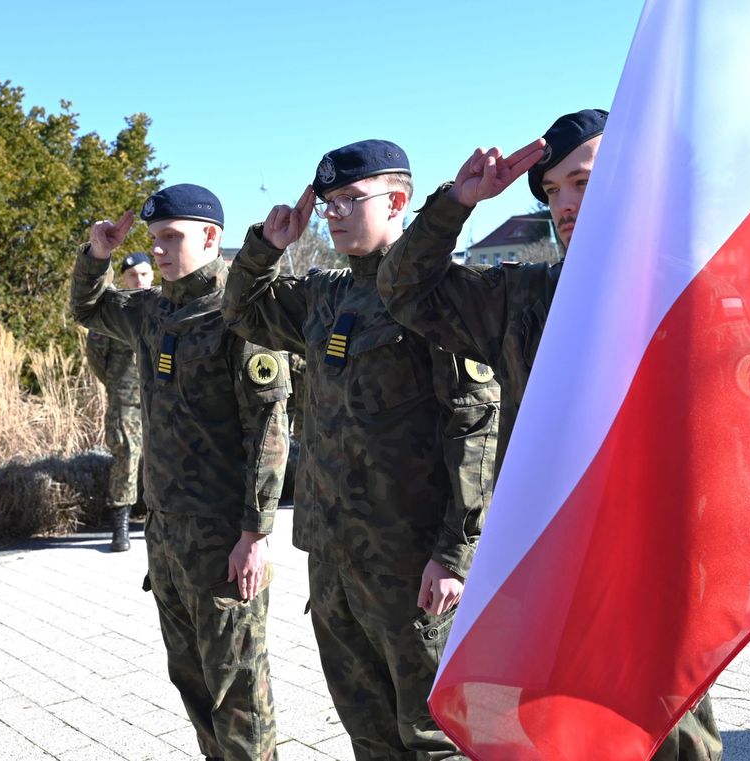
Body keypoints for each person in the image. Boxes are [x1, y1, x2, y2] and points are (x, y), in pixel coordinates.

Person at [377, 110, 750, 759]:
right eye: (553, 191)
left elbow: (747, 482)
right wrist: (458, 204)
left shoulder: (691, 298)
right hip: (549, 603)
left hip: (655, 609)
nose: (563, 204)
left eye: (583, 183)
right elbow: (402, 289)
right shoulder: (527, 297)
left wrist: (703, 612)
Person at [221, 140, 499, 759]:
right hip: (335, 559)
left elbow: (473, 429)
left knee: (434, 735)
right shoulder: (326, 293)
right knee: (367, 731)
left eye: (351, 199)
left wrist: (455, 554)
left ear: (398, 201)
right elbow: (241, 312)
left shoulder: (437, 295)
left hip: (412, 564)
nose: (335, 214)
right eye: (328, 204)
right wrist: (269, 247)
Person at [71, 183, 289, 761]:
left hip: (224, 535)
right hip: (165, 532)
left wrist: (255, 534)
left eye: (172, 237)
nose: (160, 250)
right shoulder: (152, 310)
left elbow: (267, 430)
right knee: (190, 679)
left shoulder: (239, 313)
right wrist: (98, 256)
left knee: (237, 690)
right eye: (154, 239)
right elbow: (87, 309)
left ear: (211, 238)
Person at [85, 251, 153, 552]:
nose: (138, 280)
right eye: (132, 275)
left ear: (151, 275)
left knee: (161, 458)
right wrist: (116, 384)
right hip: (125, 399)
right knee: (126, 455)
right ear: (124, 278)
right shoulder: (114, 312)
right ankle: (120, 526)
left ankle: (157, 521)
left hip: (161, 399)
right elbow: (96, 357)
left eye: (143, 274)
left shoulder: (166, 305)